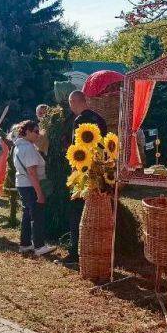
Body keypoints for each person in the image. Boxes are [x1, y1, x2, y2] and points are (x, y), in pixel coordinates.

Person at [67, 90, 108, 263]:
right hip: (100, 172)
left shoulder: (79, 121)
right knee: (97, 212)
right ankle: (97, 249)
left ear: (73, 102)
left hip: (83, 173)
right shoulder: (101, 119)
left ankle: (75, 252)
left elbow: (78, 150)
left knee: (77, 212)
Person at [12, 120, 55, 256]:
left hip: (22, 184)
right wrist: (39, 193)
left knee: (27, 214)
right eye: (36, 131)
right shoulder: (28, 148)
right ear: (27, 132)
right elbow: (32, 172)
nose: (38, 134)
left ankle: (25, 244)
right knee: (37, 215)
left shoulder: (18, 146)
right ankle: (39, 246)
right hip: (31, 185)